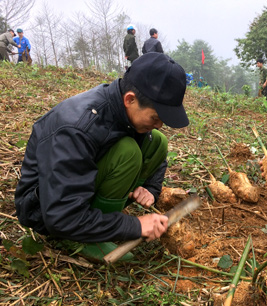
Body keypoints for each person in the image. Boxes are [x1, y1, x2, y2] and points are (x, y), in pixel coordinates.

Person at [15, 53, 190, 261]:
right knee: (128, 153)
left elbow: (157, 156)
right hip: (47, 211)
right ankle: (85, 237)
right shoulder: (77, 129)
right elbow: (61, 216)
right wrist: (136, 225)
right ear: (130, 99)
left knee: (157, 140)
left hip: (76, 191)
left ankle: (104, 219)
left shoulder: (124, 110)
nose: (160, 123)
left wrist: (150, 188)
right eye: (156, 117)